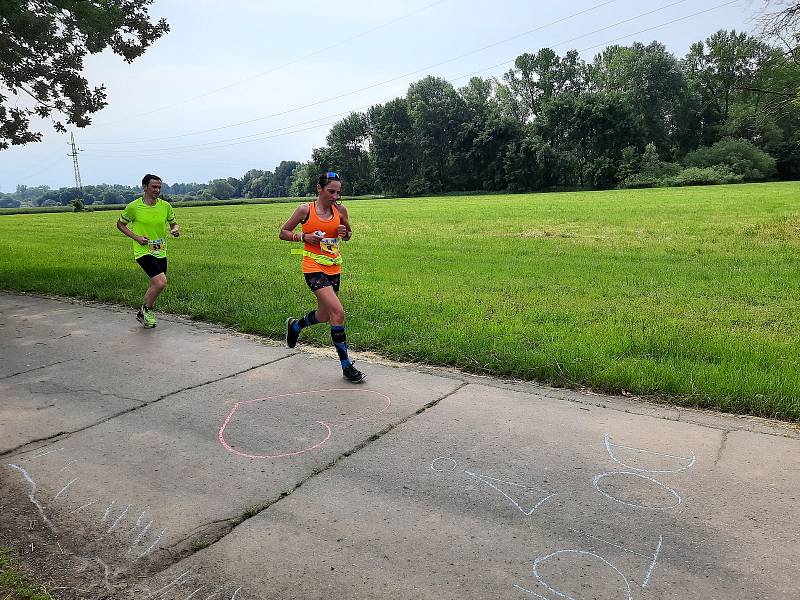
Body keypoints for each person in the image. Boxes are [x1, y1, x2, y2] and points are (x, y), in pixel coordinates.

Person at [279, 171, 365, 383]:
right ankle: (346, 366)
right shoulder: (304, 210)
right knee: (338, 312)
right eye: (331, 191)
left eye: (338, 192)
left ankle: (295, 326)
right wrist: (304, 237)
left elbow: (348, 235)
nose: (335, 196)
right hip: (313, 267)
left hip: (334, 267)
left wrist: (345, 233)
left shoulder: (340, 209)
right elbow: (283, 232)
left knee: (325, 315)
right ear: (319, 188)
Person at [116, 174, 180, 328]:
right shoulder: (134, 207)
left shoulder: (165, 206)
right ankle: (148, 310)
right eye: (154, 187)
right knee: (161, 283)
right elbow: (120, 224)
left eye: (159, 187)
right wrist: (137, 237)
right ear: (145, 187)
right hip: (143, 251)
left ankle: (142, 313)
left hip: (160, 250)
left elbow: (174, 224)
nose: (157, 190)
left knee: (155, 284)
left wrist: (175, 230)